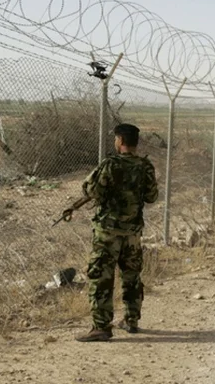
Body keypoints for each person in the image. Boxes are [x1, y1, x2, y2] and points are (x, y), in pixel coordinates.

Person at [74, 123, 159, 342]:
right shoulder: (145, 166)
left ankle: (101, 326)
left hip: (108, 233)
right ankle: (131, 319)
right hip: (132, 232)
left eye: (116, 139)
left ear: (120, 141)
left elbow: (91, 190)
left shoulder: (110, 165)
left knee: (101, 276)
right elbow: (151, 197)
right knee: (131, 276)